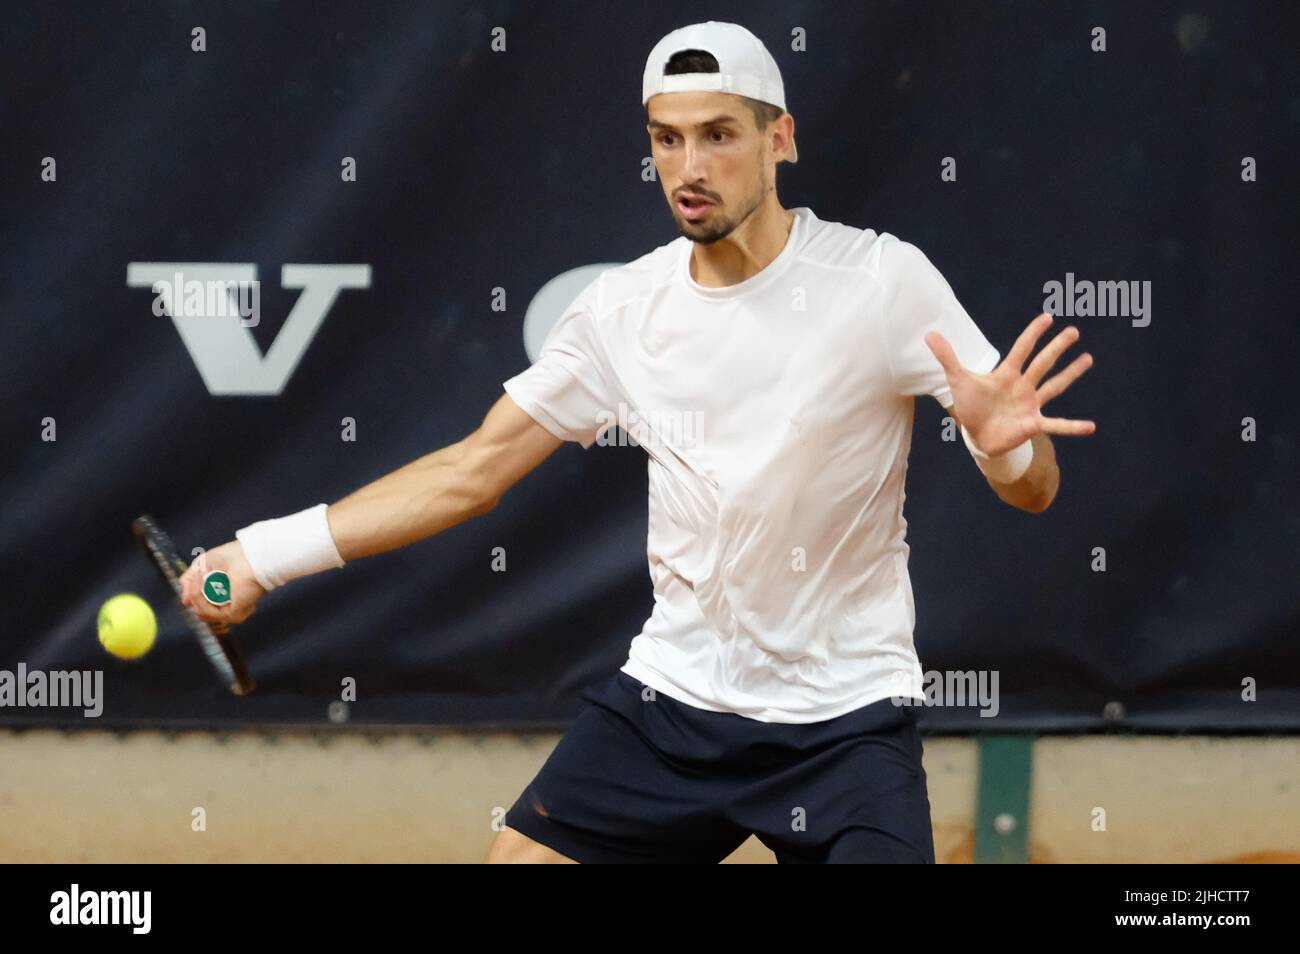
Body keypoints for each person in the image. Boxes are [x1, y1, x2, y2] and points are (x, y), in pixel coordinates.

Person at [181, 21, 1095, 863]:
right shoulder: (622, 311)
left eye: (719, 134)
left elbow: (1036, 490)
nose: (688, 166)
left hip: (845, 721)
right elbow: (471, 472)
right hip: (671, 710)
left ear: (782, 139)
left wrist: (1000, 447)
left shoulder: (884, 280)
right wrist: (262, 556)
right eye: (667, 138)